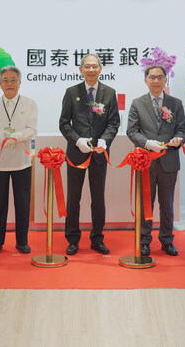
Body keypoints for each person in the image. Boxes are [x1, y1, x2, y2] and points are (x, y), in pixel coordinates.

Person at [59, 53, 120, 255]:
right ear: (81, 69)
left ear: (100, 69)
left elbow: (113, 123)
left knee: (98, 198)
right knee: (73, 198)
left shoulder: (109, 93)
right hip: (76, 153)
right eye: (87, 66)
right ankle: (72, 239)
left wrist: (104, 140)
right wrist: (77, 140)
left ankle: (97, 239)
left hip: (99, 154)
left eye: (95, 66)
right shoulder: (71, 92)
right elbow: (64, 123)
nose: (91, 70)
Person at [126, 65, 185, 256]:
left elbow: (181, 129)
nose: (156, 81)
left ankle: (167, 240)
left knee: (167, 204)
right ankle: (144, 240)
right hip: (146, 161)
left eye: (160, 77)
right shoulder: (137, 103)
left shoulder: (175, 103)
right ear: (146, 80)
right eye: (152, 77)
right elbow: (132, 130)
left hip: (169, 161)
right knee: (145, 202)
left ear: (165, 80)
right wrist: (147, 143)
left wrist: (178, 140)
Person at [0, 66, 38, 255]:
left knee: (22, 204)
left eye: (13, 80)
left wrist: (16, 137)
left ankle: (22, 242)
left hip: (22, 162)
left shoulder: (30, 103)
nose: (10, 84)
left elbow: (32, 129)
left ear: (20, 82)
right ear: (0, 83)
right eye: (5, 80)